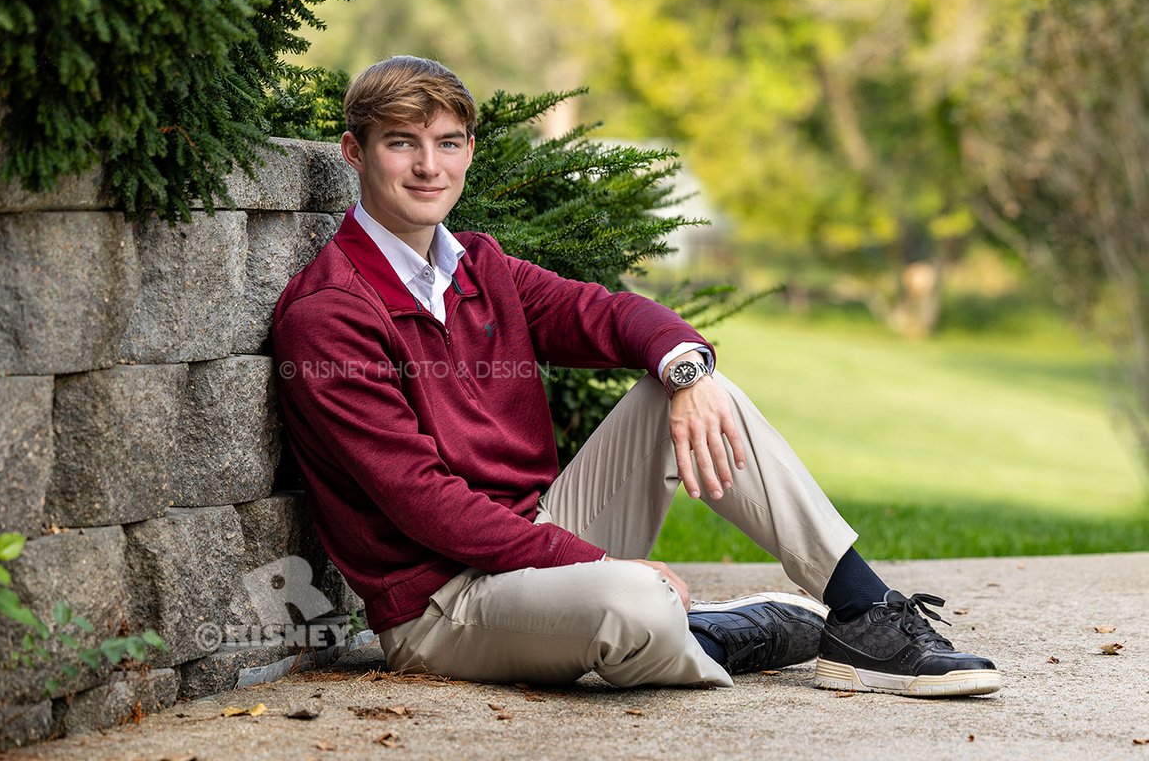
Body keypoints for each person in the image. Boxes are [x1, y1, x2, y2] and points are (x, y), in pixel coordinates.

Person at [271, 55, 1000, 697]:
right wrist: (600, 563)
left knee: (699, 392)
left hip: (534, 536)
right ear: (354, 152)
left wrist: (687, 371)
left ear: (468, 151)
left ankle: (861, 614)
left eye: (448, 143)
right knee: (637, 603)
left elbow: (609, 314)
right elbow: (424, 504)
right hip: (442, 604)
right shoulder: (330, 314)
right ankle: (722, 635)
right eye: (403, 144)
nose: (429, 166)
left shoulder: (479, 268)